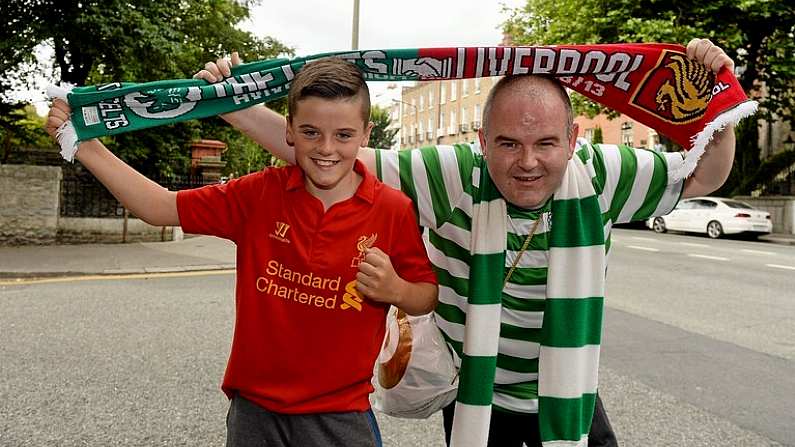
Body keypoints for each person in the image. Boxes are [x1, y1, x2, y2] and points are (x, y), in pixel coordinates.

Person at [196, 38, 736, 446]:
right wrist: (228, 103)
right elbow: (333, 156)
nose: (527, 162)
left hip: (568, 395)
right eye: (508, 143)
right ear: (481, 141)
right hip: (477, 394)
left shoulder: (604, 174)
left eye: (546, 142)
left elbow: (706, 175)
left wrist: (717, 96)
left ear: (573, 139)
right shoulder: (450, 173)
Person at [46, 57, 439, 447]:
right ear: (288, 131)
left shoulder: (391, 209)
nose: (326, 149)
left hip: (340, 415)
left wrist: (396, 290)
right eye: (310, 132)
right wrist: (82, 143)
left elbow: (426, 294)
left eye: (343, 135)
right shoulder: (259, 194)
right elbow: (159, 206)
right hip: (254, 412)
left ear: (366, 134)